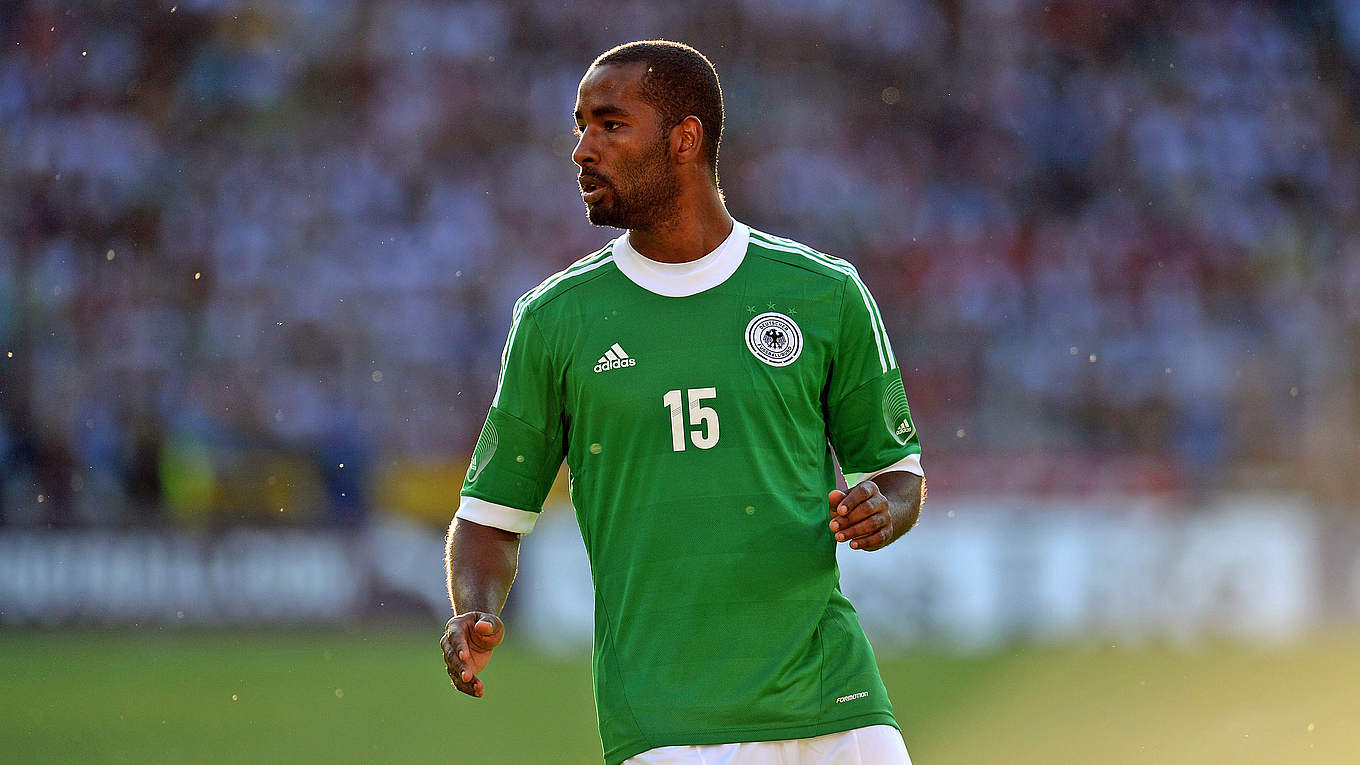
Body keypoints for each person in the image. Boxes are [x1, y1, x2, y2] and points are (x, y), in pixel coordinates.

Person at [441, 40, 925, 765]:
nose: (582, 149)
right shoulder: (556, 321)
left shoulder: (823, 294)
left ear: (684, 139)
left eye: (610, 125)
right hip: (665, 723)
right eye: (581, 126)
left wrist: (883, 509)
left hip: (835, 702)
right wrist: (474, 610)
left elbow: (897, 473)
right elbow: (488, 520)